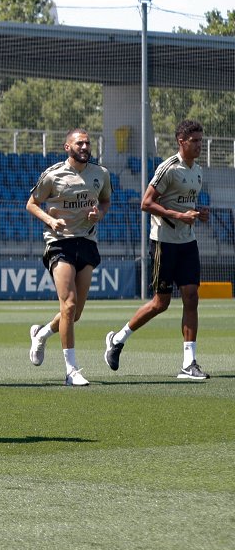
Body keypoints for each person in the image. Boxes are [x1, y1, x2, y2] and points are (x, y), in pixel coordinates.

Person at [104, 120, 210, 380]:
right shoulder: (168, 169)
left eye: (200, 140)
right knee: (160, 303)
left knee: (192, 297)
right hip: (164, 242)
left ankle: (188, 364)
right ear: (181, 142)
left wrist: (199, 213)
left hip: (188, 241)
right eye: (194, 141)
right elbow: (146, 203)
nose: (199, 145)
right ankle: (117, 340)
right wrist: (178, 214)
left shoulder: (197, 171)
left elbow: (187, 204)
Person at [26, 128, 111, 386]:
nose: (85, 147)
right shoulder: (52, 175)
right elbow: (31, 204)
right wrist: (51, 221)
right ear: (67, 147)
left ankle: (41, 334)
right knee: (69, 304)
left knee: (74, 313)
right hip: (59, 243)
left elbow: (106, 201)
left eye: (87, 143)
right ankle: (71, 370)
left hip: (86, 242)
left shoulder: (101, 174)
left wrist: (100, 214)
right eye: (79, 143)